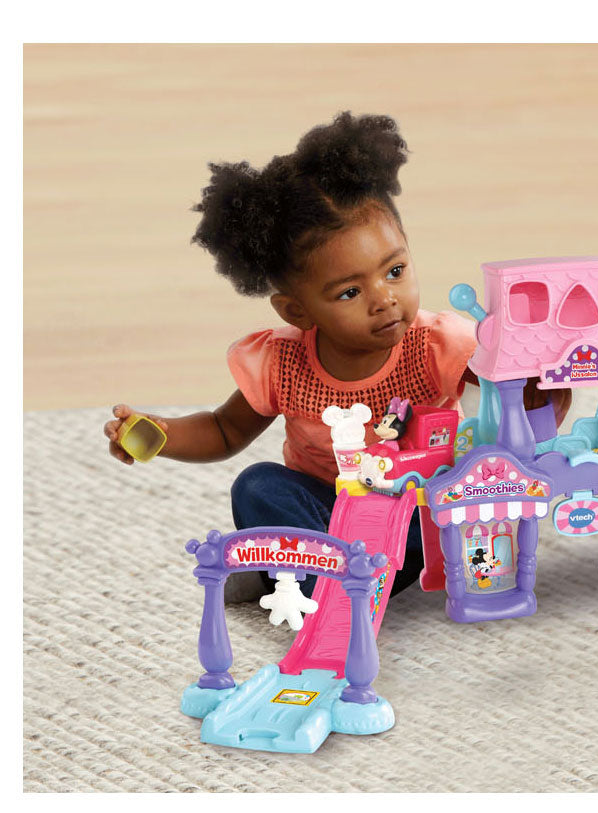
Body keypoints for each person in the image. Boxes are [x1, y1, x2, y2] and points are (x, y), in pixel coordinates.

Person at [104, 111, 569, 604]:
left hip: (411, 510)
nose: (384, 299)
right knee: (257, 486)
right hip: (323, 511)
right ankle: (319, 580)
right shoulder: (282, 363)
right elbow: (224, 430)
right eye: (350, 292)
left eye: (395, 270)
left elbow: (511, 392)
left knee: (445, 508)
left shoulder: (436, 344)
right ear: (297, 310)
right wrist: (163, 435)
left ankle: (299, 578)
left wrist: (543, 381)